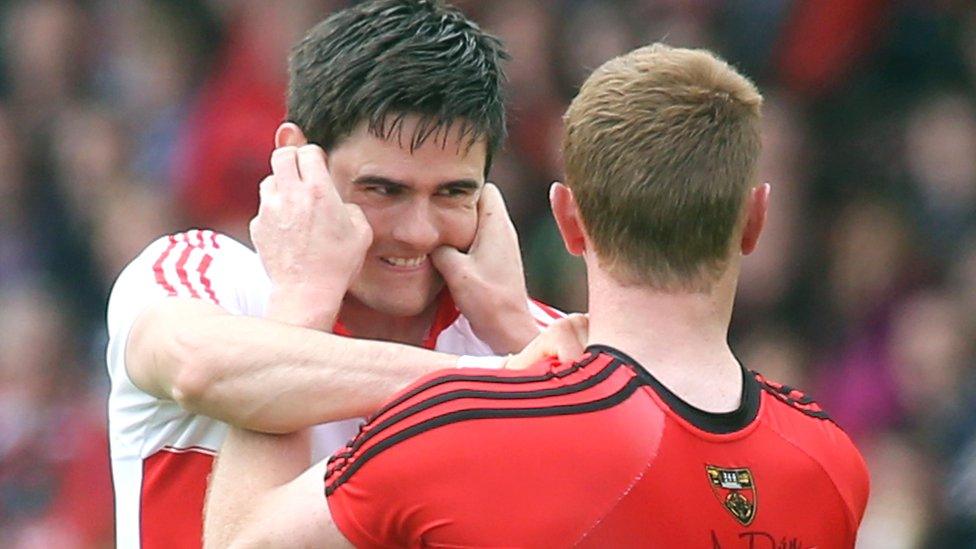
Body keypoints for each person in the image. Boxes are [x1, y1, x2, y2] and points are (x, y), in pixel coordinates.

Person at [204, 43, 871, 547]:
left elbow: (238, 539)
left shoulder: (463, 429)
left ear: (568, 219)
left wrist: (298, 298)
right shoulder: (831, 463)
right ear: (755, 218)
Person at [105, 1, 564, 547]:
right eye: (383, 190)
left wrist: (514, 327)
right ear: (298, 158)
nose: (417, 232)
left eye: (452, 193)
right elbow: (201, 370)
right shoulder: (201, 275)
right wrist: (305, 299)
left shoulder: (526, 342)